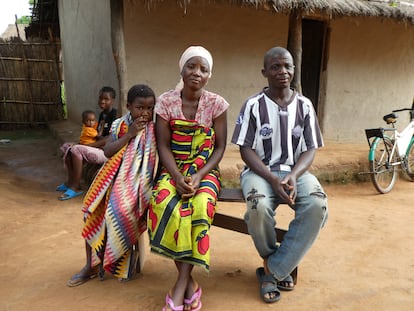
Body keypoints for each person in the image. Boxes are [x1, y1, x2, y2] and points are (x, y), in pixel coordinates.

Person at [231, 46, 328, 303]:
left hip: (296, 172)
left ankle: (272, 270)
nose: (282, 71)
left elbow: (310, 149)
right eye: (275, 67)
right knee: (257, 206)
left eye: (287, 66)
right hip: (259, 171)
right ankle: (276, 262)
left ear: (294, 70)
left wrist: (294, 175)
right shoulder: (252, 105)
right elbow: (246, 149)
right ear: (265, 72)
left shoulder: (305, 106)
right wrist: (272, 178)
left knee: (317, 205)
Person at [148, 46, 229, 311]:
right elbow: (164, 146)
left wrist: (198, 176)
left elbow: (218, 148)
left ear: (209, 75)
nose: (196, 73)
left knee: (200, 207)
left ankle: (181, 285)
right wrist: (177, 177)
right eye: (191, 67)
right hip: (173, 169)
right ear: (181, 69)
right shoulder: (166, 102)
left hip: (204, 170)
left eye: (203, 69)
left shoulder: (217, 104)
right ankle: (190, 285)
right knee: (162, 204)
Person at [66, 84, 158, 287]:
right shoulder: (120, 125)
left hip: (138, 181)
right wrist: (129, 135)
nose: (145, 112)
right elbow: (108, 152)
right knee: (92, 208)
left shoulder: (155, 128)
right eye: (140, 108)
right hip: (113, 176)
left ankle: (119, 259)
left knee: (118, 210)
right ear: (128, 106)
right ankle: (90, 265)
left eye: (150, 108)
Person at [56, 86, 118, 200]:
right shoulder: (101, 115)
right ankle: (71, 182)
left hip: (106, 150)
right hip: (97, 146)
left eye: (106, 99)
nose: (102, 101)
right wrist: (79, 143)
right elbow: (96, 135)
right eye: (100, 98)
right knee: (67, 147)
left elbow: (107, 139)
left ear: (113, 100)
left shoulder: (115, 115)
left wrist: (85, 146)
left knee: (76, 149)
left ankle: (75, 187)